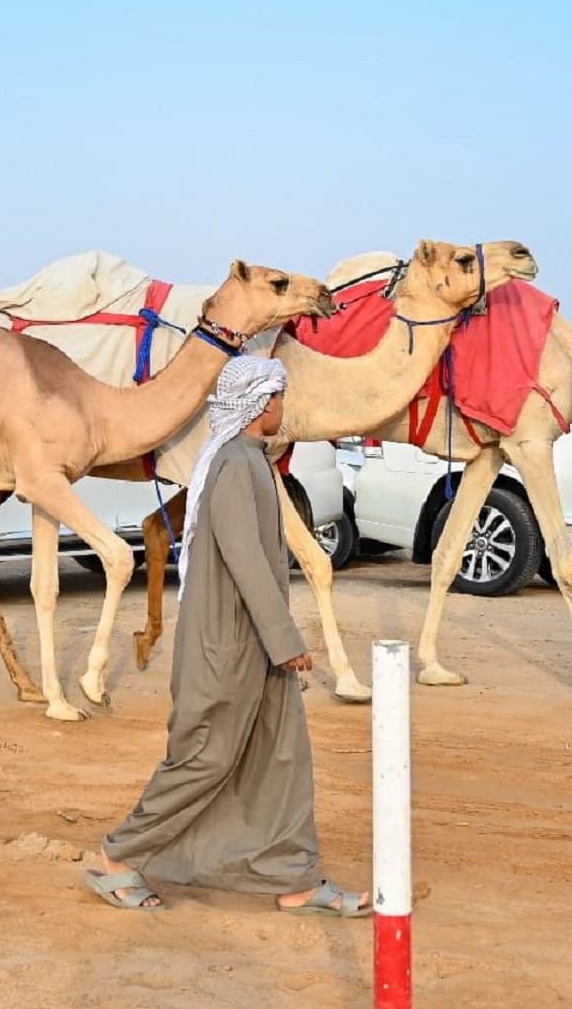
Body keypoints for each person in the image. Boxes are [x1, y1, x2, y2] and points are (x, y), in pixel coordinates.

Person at [86, 356, 368, 917]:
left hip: (254, 645)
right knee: (204, 757)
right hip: (228, 644)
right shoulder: (237, 463)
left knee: (280, 758)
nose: (283, 409)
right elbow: (244, 559)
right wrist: (285, 639)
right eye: (279, 399)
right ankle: (119, 857)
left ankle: (295, 878)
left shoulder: (248, 459)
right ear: (263, 404)